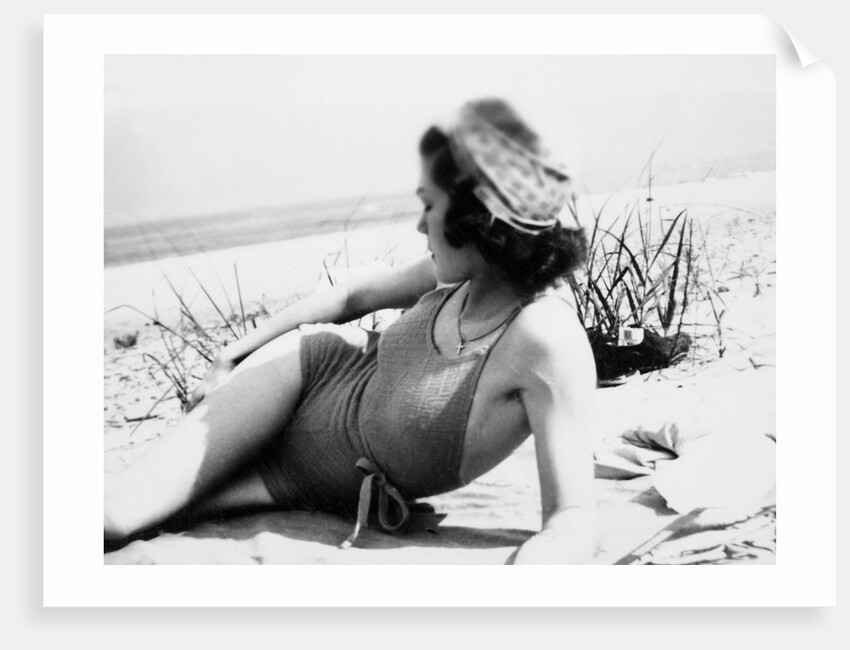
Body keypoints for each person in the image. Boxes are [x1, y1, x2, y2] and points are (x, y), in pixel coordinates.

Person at [104, 98, 598, 564]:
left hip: (302, 481)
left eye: (430, 205)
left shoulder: (545, 338)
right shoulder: (454, 275)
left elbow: (572, 517)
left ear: (478, 214)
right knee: (112, 516)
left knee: (128, 520)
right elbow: (352, 296)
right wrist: (234, 353)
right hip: (301, 379)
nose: (420, 226)